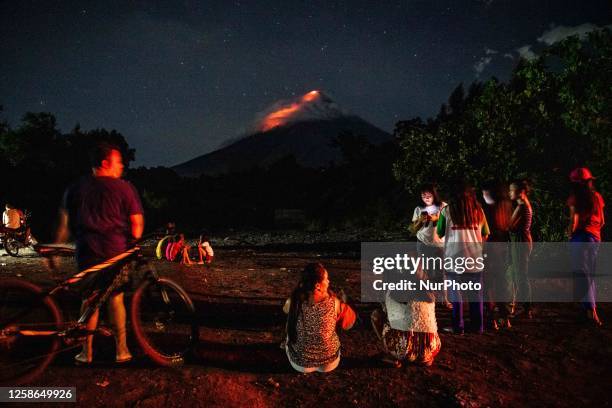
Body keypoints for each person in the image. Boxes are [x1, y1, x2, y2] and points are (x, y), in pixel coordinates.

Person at [55, 141, 144, 364]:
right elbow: (137, 225)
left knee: (89, 300)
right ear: (106, 163)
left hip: (87, 253)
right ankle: (122, 351)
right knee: (116, 299)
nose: (122, 166)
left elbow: (64, 226)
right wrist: (134, 241)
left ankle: (86, 353)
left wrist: (55, 251)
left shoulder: (75, 188)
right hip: (116, 254)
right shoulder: (124, 188)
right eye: (119, 161)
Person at [283, 263, 356, 373]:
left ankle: (285, 344)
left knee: (290, 324)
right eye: (326, 279)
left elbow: (285, 310)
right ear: (317, 286)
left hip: (301, 364)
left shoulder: (294, 302)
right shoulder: (335, 304)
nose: (328, 282)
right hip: (330, 363)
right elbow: (349, 325)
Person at [437, 182, 489, 334]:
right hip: (474, 258)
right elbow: (486, 233)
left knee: (456, 293)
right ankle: (477, 326)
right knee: (475, 295)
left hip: (454, 258)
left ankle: (458, 327)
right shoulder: (479, 210)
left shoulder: (446, 211)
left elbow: (440, 233)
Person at [370, 266, 441, 367]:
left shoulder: (395, 290)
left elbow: (387, 313)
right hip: (432, 347)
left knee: (376, 315)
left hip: (404, 349)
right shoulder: (430, 293)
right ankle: (425, 358)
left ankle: (391, 354)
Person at [567, 167, 605, 327]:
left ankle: (592, 312)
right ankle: (587, 310)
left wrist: (569, 233)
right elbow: (602, 221)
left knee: (583, 276)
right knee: (590, 275)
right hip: (594, 238)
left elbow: (573, 223)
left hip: (580, 238)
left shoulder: (575, 199)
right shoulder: (597, 197)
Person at [411, 183, 450, 308]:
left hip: (440, 244)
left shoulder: (443, 206)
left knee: (441, 272)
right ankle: (430, 298)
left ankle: (445, 298)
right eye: (423, 196)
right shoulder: (418, 209)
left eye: (429, 195)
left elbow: (448, 221)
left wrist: (434, 218)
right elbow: (413, 229)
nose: (426, 198)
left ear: (434, 195)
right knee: (425, 272)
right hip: (423, 242)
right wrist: (420, 221)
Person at [482, 180, 513, 329]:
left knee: (488, 282)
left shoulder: (490, 210)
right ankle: (504, 316)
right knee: (502, 282)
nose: (484, 196)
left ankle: (492, 317)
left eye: (485, 193)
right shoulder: (507, 205)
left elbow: (486, 232)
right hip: (504, 246)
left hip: (491, 247)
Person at [509, 179, 534, 319]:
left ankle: (526, 308)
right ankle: (521, 306)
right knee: (518, 274)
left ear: (521, 192)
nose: (509, 193)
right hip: (524, 240)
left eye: (512, 190)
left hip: (520, 241)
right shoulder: (524, 206)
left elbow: (510, 226)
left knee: (521, 275)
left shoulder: (521, 207)